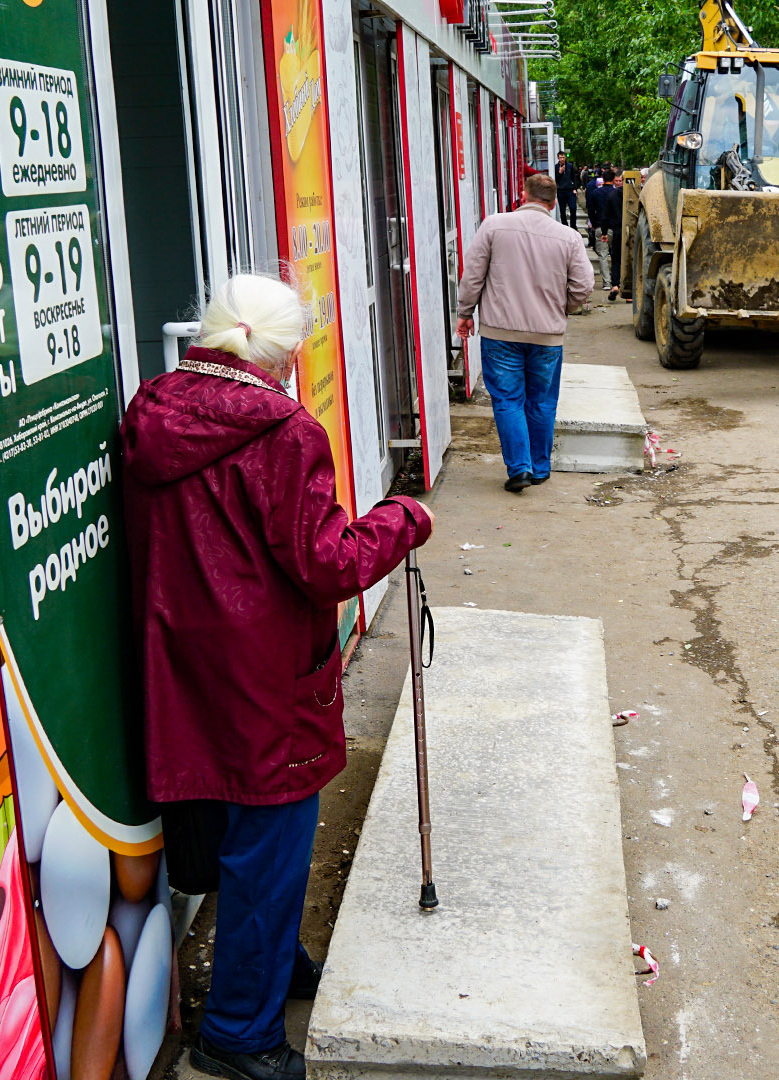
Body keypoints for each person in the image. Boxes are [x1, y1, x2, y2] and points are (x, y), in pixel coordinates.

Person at [122, 273, 434, 1080]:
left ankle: (273, 966)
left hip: (185, 662)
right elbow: (329, 563)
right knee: (271, 843)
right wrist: (403, 519)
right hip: (262, 674)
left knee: (247, 844)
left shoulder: (152, 408)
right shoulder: (283, 432)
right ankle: (237, 1031)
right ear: (287, 355)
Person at [456, 172, 595, 492]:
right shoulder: (569, 237)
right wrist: (564, 308)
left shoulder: (493, 226)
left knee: (507, 400)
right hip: (547, 337)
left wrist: (465, 313)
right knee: (542, 402)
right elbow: (584, 286)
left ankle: (519, 469)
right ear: (554, 202)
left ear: (523, 195)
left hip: (500, 334)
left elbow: (473, 275)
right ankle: (540, 468)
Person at [588, 169, 624, 299]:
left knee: (603, 255)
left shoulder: (596, 193)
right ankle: (623, 284)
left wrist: (595, 226)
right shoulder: (623, 194)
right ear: (614, 179)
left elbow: (592, 210)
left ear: (602, 179)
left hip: (602, 226)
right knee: (619, 256)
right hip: (619, 229)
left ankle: (608, 282)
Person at [553, 150, 580, 230]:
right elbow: (555, 179)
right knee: (562, 210)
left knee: (573, 208)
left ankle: (573, 226)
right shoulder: (555, 167)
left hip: (570, 190)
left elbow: (574, 178)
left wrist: (575, 188)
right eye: (561, 157)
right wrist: (559, 172)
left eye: (563, 157)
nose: (562, 159)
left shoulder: (570, 166)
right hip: (561, 191)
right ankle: (565, 226)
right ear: (558, 158)